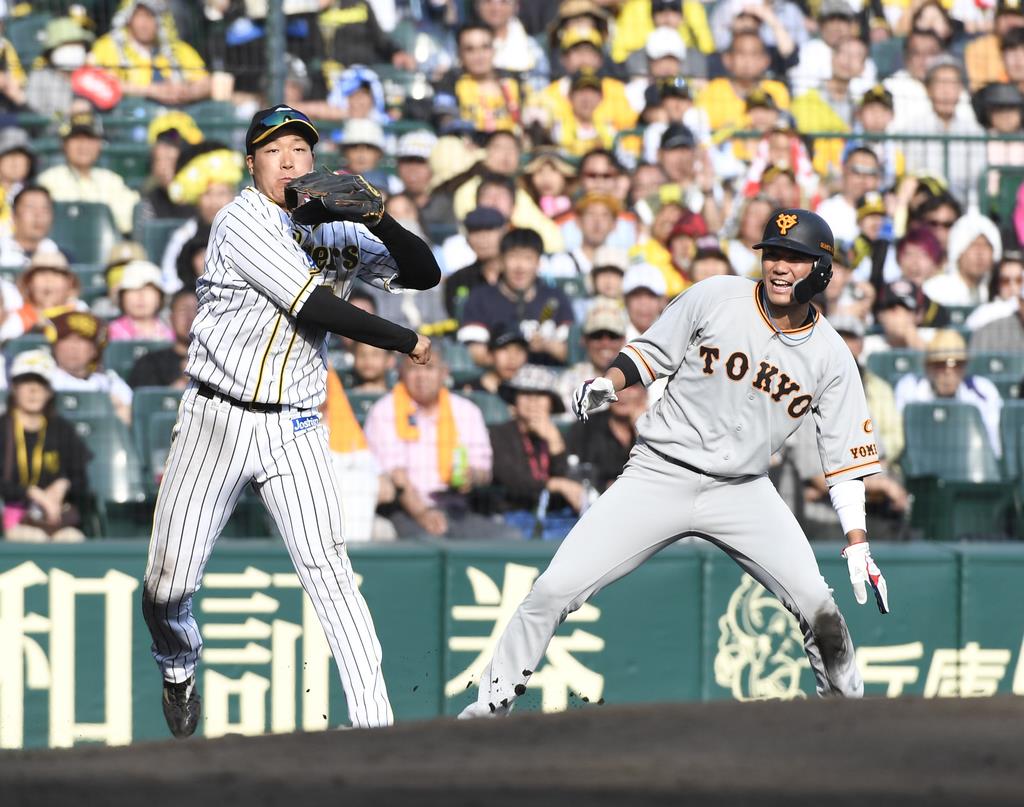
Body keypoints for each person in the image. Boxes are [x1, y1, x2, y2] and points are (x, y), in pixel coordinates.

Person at [458, 208, 890, 719]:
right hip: (661, 470)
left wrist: (857, 540)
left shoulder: (832, 356)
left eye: (794, 257)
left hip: (744, 490)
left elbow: (842, 460)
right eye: (772, 252)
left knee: (821, 609)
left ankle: (849, 724)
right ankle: (488, 709)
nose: (779, 265)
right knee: (553, 589)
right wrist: (609, 384)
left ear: (821, 269)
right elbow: (650, 353)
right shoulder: (717, 296)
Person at [141, 104, 439, 739]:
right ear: (252, 165)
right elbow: (314, 305)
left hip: (295, 426)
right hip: (215, 420)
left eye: (300, 151)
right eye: (274, 151)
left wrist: (380, 218)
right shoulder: (240, 220)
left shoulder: (333, 226)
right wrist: (403, 340)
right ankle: (178, 664)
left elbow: (423, 272)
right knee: (167, 587)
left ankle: (377, 732)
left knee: (329, 572)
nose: (288, 161)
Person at [363, 346, 515, 539]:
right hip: (404, 510)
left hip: (457, 508)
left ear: (444, 372)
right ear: (401, 373)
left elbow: (484, 471)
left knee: (509, 537)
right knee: (427, 546)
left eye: (429, 368)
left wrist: (472, 476)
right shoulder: (384, 411)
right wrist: (422, 514)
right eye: (413, 369)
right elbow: (395, 476)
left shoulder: (467, 411)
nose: (421, 376)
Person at [0, 350, 90, 543]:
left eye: (40, 383)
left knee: (73, 540)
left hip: (54, 518)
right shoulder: (3, 427)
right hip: (13, 517)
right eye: (25, 382)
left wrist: (63, 484)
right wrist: (32, 493)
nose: (33, 390)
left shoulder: (62, 429)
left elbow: (81, 479)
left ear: (49, 391)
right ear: (14, 388)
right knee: (32, 539)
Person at [488, 364, 585, 540]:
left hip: (556, 519)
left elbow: (573, 484)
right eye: (525, 394)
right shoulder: (497, 434)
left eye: (540, 395)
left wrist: (556, 444)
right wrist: (554, 484)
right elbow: (511, 480)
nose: (533, 401)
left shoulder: (560, 435)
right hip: (511, 517)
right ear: (515, 401)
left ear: (550, 402)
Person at [894, 329, 1003, 456]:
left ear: (965, 366)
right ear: (927, 367)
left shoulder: (983, 390)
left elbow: (993, 447)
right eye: (940, 364)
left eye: (957, 364)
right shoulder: (909, 388)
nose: (948, 371)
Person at [36, 112, 139, 236]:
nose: (83, 145)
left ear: (99, 144)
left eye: (90, 139)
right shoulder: (48, 180)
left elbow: (128, 224)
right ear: (64, 144)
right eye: (76, 139)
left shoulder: (112, 181)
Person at [47, 311, 134, 425]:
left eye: (81, 340)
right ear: (55, 347)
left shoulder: (111, 384)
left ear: (94, 350)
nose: (73, 347)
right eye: (66, 339)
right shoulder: (43, 379)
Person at [127, 288, 196, 388]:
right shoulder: (149, 363)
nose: (191, 317)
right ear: (171, 318)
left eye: (197, 310)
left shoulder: (217, 363)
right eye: (184, 311)